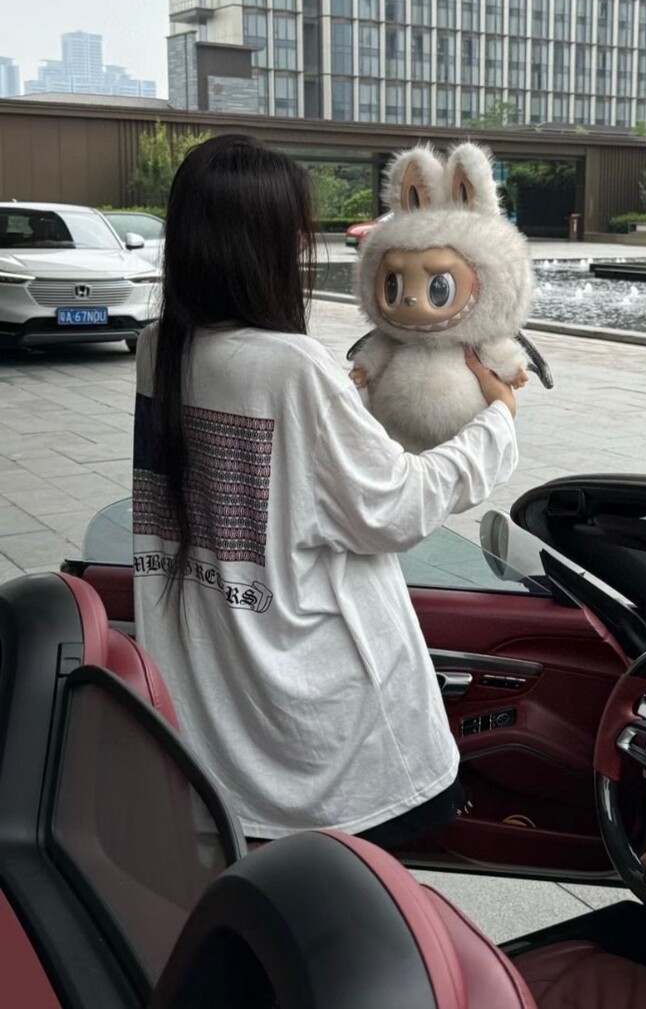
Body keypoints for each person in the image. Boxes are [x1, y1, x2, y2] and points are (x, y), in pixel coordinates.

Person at [132, 134, 519, 847]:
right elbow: (395, 506)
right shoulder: (294, 368)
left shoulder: (160, 348)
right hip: (328, 742)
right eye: (295, 233)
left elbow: (291, 474)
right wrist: (496, 423)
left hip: (218, 721)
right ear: (266, 247)